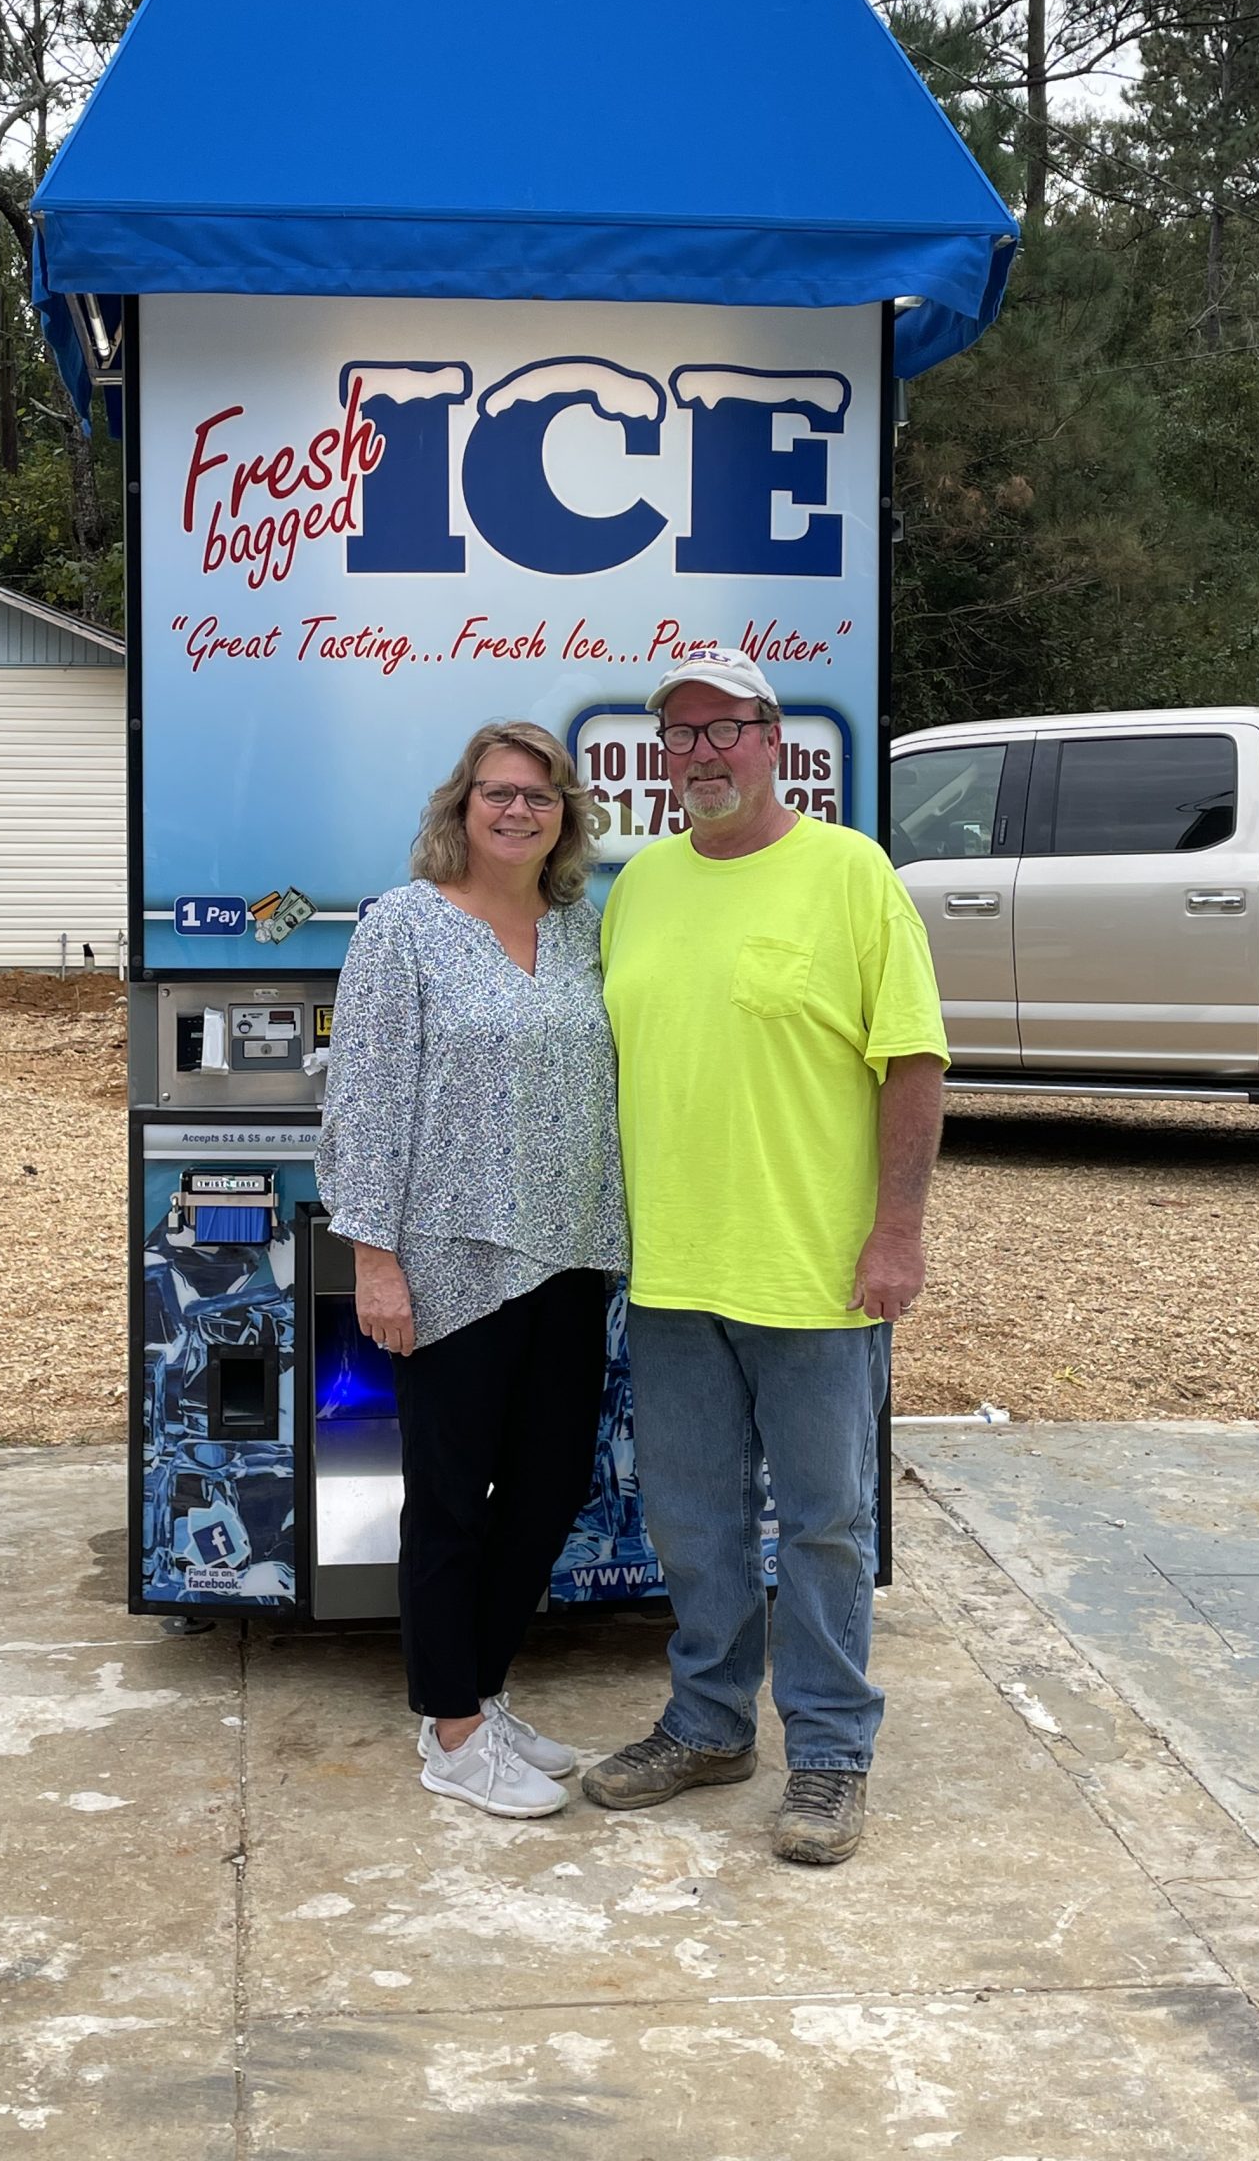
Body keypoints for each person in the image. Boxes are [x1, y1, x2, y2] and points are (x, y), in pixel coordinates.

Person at [584, 648, 949, 1865]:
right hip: (672, 1271)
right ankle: (709, 1725)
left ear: (771, 739)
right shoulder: (640, 886)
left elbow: (913, 1060)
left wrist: (897, 1230)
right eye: (680, 734)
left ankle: (831, 1755)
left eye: (723, 728)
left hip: (816, 1275)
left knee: (827, 1525)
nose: (701, 752)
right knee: (693, 1518)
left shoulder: (851, 874)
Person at [317, 720, 628, 1819]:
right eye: (498, 792)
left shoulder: (584, 932)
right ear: (462, 806)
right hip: (450, 1260)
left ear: (565, 818)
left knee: (549, 1490)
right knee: (451, 1501)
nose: (516, 811)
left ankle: (480, 1693)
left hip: (572, 1251)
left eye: (539, 797)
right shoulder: (403, 928)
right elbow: (363, 1099)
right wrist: (376, 1261)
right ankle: (450, 1729)